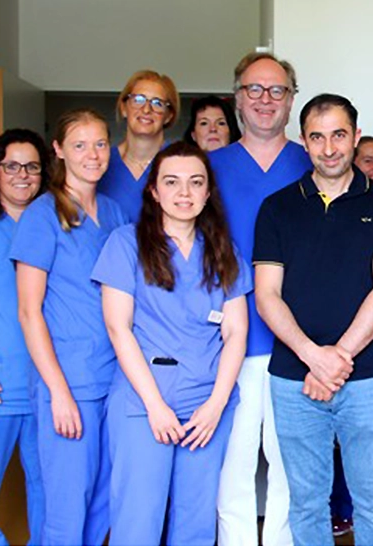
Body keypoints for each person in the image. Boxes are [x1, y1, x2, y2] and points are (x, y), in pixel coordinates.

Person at [254, 93, 373, 546]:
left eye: (339, 134)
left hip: (369, 377)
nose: (329, 148)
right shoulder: (277, 207)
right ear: (304, 142)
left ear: (356, 137)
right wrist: (312, 357)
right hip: (294, 378)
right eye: (317, 137)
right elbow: (267, 295)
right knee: (305, 502)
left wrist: (336, 358)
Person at [93, 142, 251, 544]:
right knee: (138, 520)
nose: (184, 193)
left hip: (206, 402)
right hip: (144, 402)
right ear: (154, 191)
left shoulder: (222, 252)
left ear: (207, 191)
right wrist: (154, 406)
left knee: (196, 523)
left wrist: (216, 405)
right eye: (172, 182)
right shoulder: (125, 244)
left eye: (195, 182)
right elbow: (118, 328)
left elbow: (235, 331)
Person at [11, 109, 128, 545]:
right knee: (67, 504)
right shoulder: (44, 215)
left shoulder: (115, 214)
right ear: (58, 151)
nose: (93, 154)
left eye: (100, 143)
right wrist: (58, 391)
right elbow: (28, 311)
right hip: (70, 382)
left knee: (105, 500)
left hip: (114, 377)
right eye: (79, 145)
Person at [212, 51, 312, 546]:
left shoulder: (314, 164)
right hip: (228, 341)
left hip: (299, 342)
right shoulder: (208, 170)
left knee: (290, 465)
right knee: (231, 465)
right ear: (237, 100)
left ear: (292, 100)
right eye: (254, 89)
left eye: (277, 90)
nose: (265, 100)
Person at [0, 129, 48, 545]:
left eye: (32, 166)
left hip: (45, 387)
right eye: (12, 166)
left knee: (49, 497)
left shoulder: (56, 224)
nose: (23, 175)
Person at [98, 69, 180, 222]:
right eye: (138, 100)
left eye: (157, 103)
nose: (146, 110)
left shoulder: (181, 163)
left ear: (169, 116)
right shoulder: (100, 162)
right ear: (124, 108)